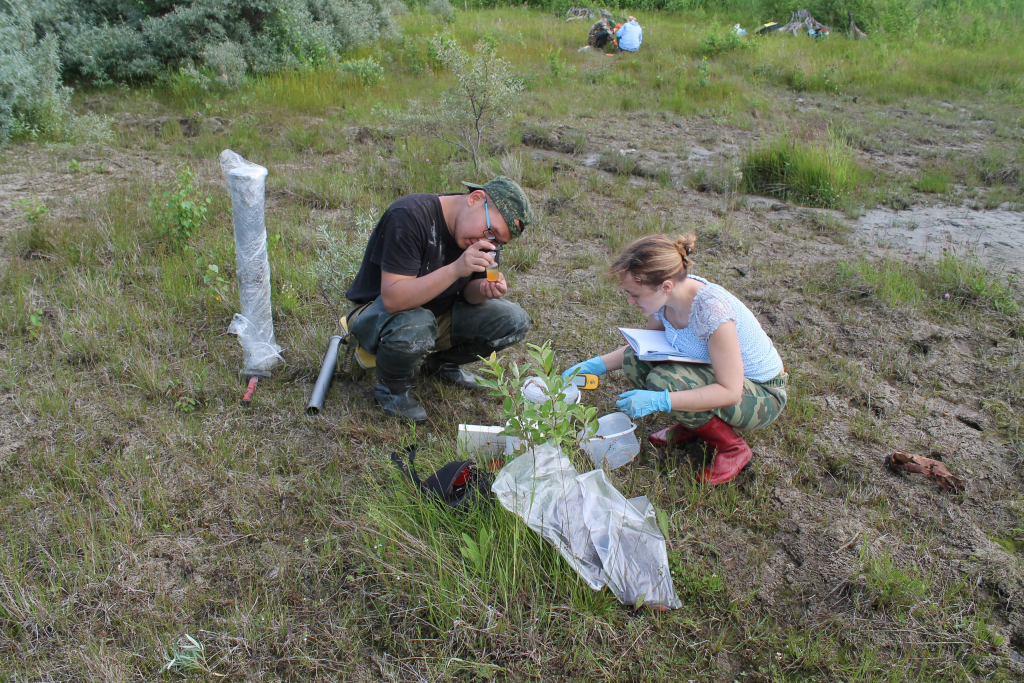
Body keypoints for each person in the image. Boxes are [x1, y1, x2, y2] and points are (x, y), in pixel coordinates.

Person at [562, 234, 788, 485]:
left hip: (762, 393)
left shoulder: (712, 312)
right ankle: (693, 423)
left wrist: (662, 399)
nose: (630, 300)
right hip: (719, 374)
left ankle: (732, 448)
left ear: (666, 286)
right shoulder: (665, 302)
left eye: (635, 294)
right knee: (635, 363)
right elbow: (643, 348)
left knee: (665, 381)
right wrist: (595, 365)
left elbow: (730, 392)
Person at [345, 177, 533, 423]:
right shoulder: (409, 216)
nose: (488, 243)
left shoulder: (484, 241)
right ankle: (392, 389)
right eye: (491, 232)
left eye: (499, 243)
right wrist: (456, 268)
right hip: (376, 315)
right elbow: (393, 299)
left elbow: (467, 294)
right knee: (417, 322)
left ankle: (442, 366)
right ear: (476, 199)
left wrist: (483, 289)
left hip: (434, 315)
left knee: (514, 320)